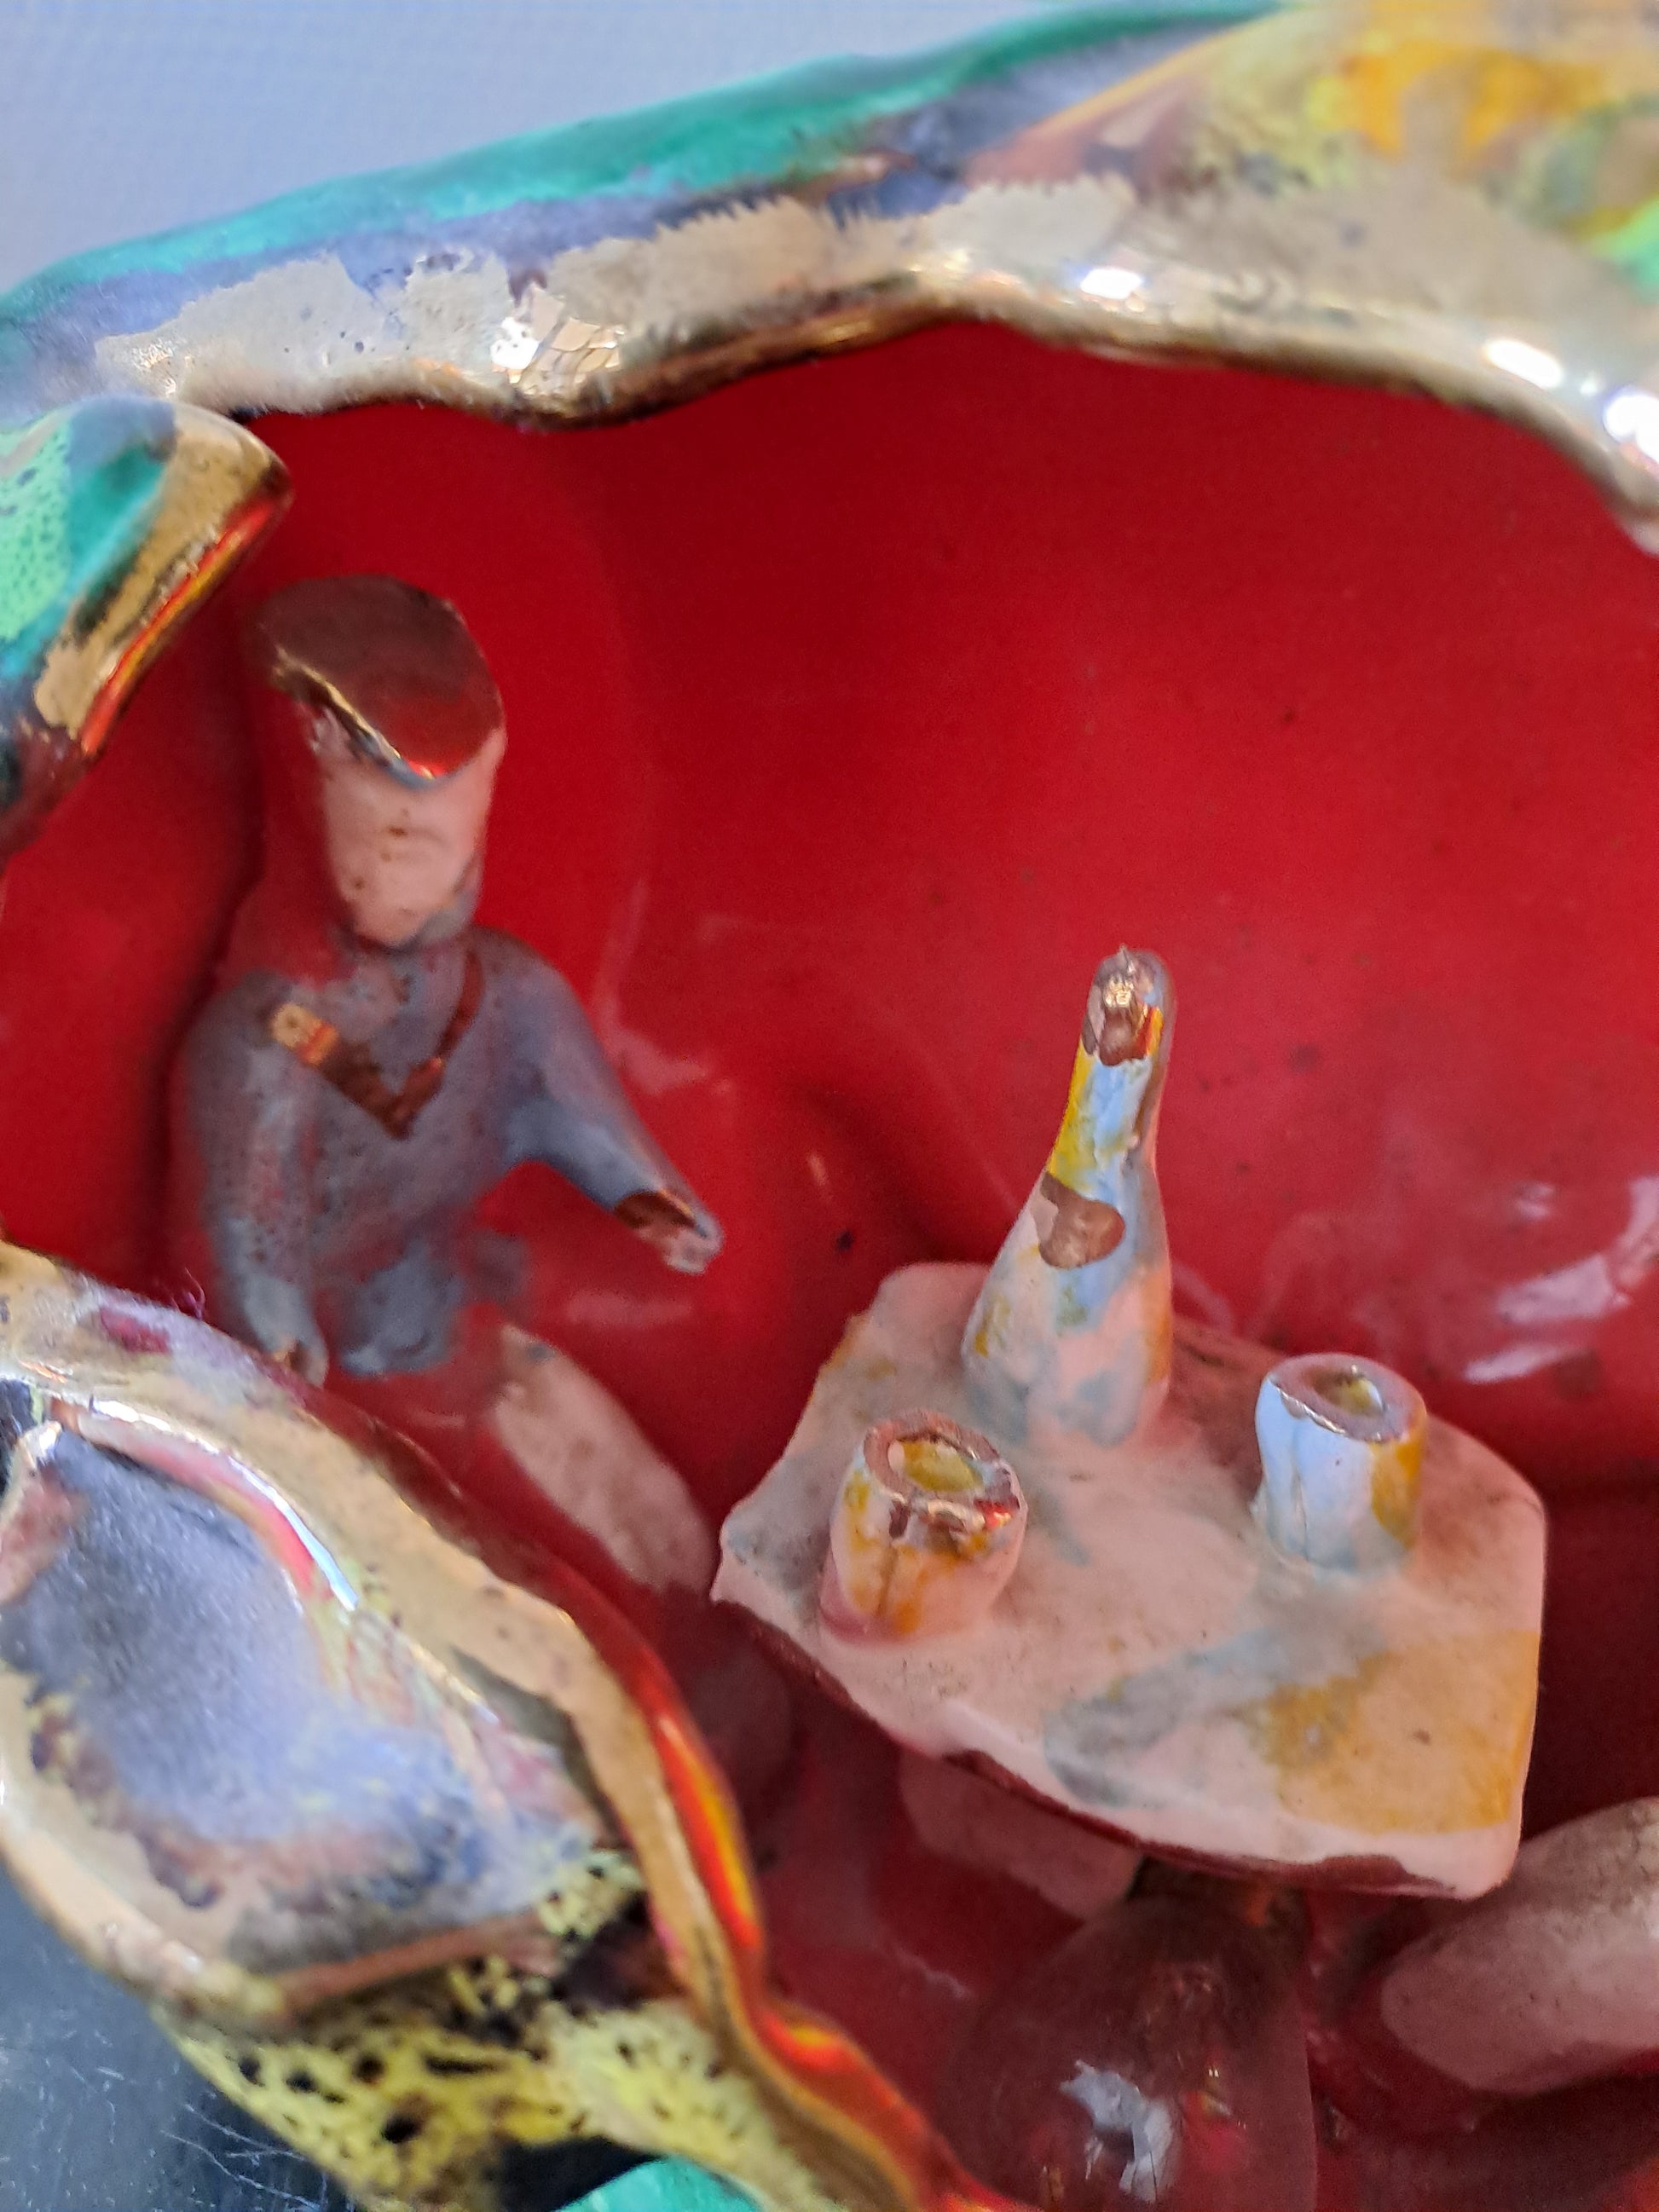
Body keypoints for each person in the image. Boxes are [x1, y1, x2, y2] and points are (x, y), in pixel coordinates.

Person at [171, 574, 722, 1595]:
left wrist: (642, 1190)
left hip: (456, 1297)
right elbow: (246, 1220)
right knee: (502, 1560)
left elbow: (555, 1078)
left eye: (464, 835)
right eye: (402, 841)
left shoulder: (493, 988)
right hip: (354, 1377)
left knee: (639, 1517)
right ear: (312, 819)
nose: (450, 873)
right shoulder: (266, 1047)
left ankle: (688, 1629)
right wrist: (273, 1332)